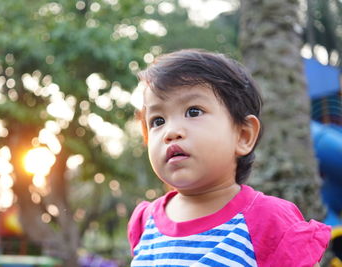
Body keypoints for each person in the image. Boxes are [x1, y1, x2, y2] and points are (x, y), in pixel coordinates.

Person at [127, 49, 331, 266]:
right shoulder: (145, 222)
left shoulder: (269, 222)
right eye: (158, 121)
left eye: (193, 111)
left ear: (243, 136)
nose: (171, 132)